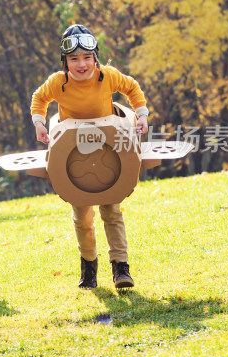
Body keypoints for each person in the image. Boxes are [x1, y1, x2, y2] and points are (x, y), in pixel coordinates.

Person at [30, 24, 149, 289]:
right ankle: (89, 269)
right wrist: (39, 123)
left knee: (111, 210)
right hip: (74, 156)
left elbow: (132, 88)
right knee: (82, 215)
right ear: (66, 62)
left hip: (109, 152)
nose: (81, 64)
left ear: (95, 57)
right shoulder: (57, 83)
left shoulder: (108, 76)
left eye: (87, 57)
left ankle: (121, 269)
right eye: (74, 59)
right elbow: (39, 99)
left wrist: (141, 115)